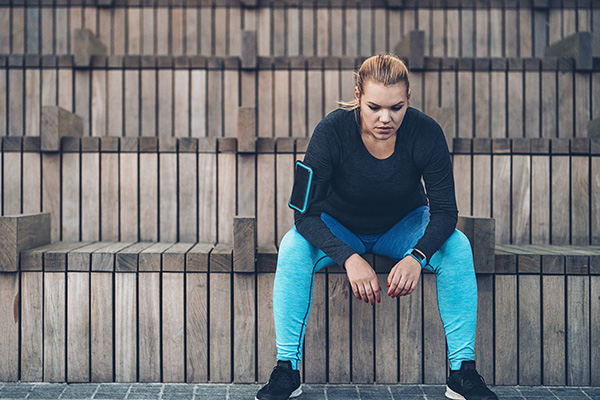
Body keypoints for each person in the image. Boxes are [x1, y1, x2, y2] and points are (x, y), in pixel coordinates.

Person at [255, 54, 498, 400]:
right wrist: (349, 258)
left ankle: (462, 371)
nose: (385, 118)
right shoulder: (330, 131)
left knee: (457, 246)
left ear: (409, 99)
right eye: (374, 107)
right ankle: (286, 369)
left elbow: (445, 212)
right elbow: (303, 215)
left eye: (396, 108)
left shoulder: (426, 132)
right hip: (339, 226)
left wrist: (417, 257)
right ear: (357, 97)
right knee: (292, 246)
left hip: (404, 226)